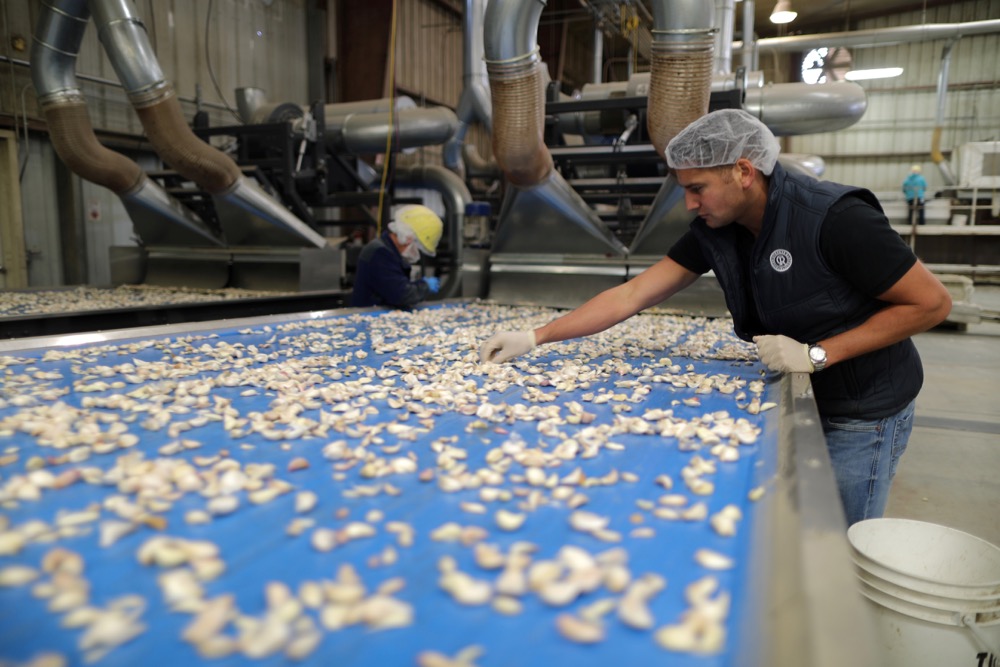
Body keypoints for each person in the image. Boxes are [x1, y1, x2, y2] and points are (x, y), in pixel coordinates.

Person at [478, 109, 952, 526]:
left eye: (696, 188)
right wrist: (536, 336)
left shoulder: (833, 218)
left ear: (743, 171)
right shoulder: (718, 228)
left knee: (841, 542)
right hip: (799, 387)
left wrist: (818, 353)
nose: (689, 203)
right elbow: (634, 293)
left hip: (862, 408)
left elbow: (931, 304)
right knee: (800, 526)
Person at [350, 204, 443, 308]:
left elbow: (395, 285)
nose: (417, 254)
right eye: (417, 249)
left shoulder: (389, 252)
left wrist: (419, 284)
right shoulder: (380, 254)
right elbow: (400, 295)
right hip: (368, 317)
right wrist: (425, 286)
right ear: (408, 239)